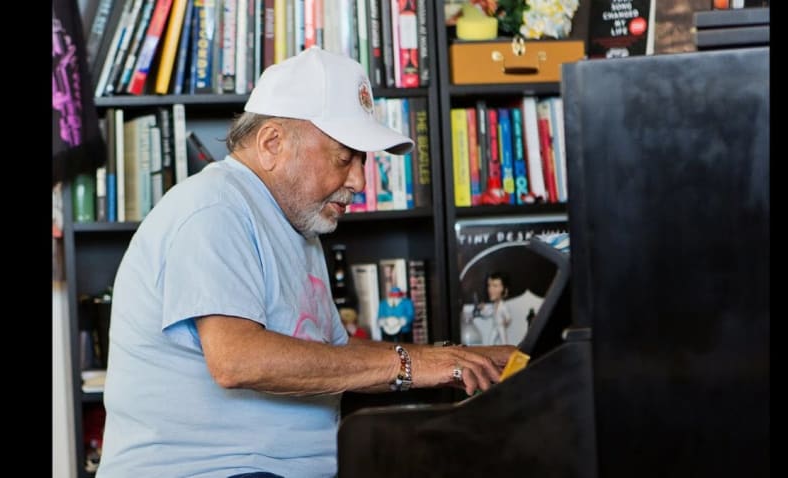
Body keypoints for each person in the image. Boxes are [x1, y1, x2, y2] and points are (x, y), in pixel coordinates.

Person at [96, 46, 516, 478]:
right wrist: (410, 366)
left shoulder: (296, 225)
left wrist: (452, 360)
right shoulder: (213, 207)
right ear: (272, 143)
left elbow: (331, 354)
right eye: (342, 157)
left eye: (362, 161)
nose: (358, 181)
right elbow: (237, 359)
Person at [482, 271, 513, 345]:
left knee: (504, 341)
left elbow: (508, 317)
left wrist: (505, 322)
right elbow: (488, 313)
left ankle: (506, 351)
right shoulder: (494, 305)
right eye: (489, 285)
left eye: (495, 286)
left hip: (500, 326)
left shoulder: (503, 306)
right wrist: (483, 309)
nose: (490, 289)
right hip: (495, 326)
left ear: (505, 290)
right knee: (490, 341)